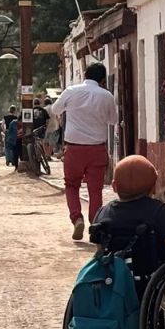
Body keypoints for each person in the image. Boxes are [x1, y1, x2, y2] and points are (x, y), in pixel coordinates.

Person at [90, 155, 165, 284]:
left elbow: (100, 249)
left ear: (114, 186)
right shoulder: (158, 211)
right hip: (150, 282)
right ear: (153, 188)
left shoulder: (103, 213)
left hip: (113, 281)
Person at [51, 62, 117, 240]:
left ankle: (76, 217)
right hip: (97, 149)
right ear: (103, 80)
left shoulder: (71, 91)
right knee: (95, 190)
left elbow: (55, 109)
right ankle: (95, 226)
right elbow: (113, 120)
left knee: (71, 185)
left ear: (85, 75)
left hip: (74, 148)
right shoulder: (107, 96)